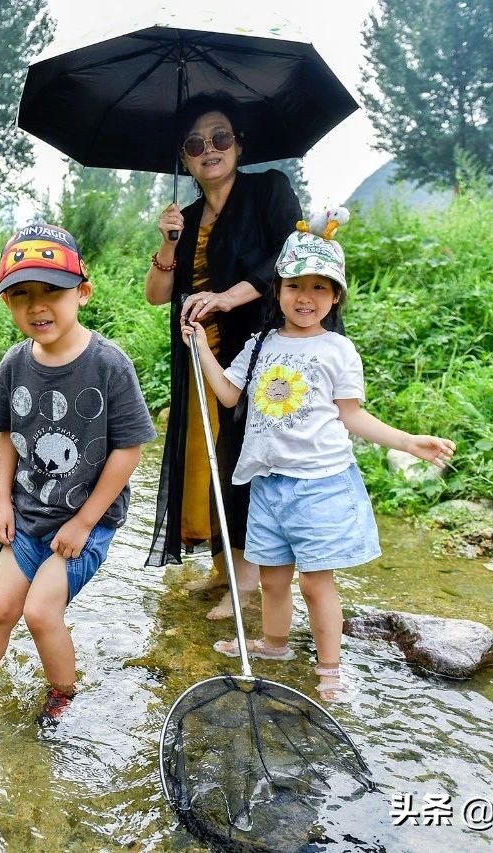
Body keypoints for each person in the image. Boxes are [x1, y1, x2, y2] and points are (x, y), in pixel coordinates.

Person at [181, 214, 456, 700]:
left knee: (315, 583)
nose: (304, 297)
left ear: (335, 297)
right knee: (273, 579)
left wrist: (407, 442)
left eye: (319, 287)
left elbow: (353, 416)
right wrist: (201, 347)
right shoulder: (259, 345)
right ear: (278, 291)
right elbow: (227, 395)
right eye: (294, 285)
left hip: (319, 484)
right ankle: (274, 644)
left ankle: (331, 668)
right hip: (268, 483)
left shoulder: (338, 350)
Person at [0, 223, 158, 727]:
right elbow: (7, 435)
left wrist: (84, 523)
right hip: (27, 514)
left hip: (86, 520)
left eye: (52, 290)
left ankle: (64, 697)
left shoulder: (108, 364)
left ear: (82, 293)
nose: (37, 306)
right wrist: (0, 501)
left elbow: (128, 450)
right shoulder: (14, 363)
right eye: (21, 295)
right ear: (7, 303)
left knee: (41, 612)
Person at [144, 94, 303, 621]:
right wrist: (169, 243)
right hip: (200, 356)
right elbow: (157, 295)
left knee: (248, 455)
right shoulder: (185, 218)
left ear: (238, 145)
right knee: (206, 458)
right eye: (195, 143)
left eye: (219, 137)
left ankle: (250, 579)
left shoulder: (269, 190)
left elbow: (290, 257)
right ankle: (223, 568)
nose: (208, 149)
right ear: (184, 159)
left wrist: (228, 297)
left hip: (258, 348)